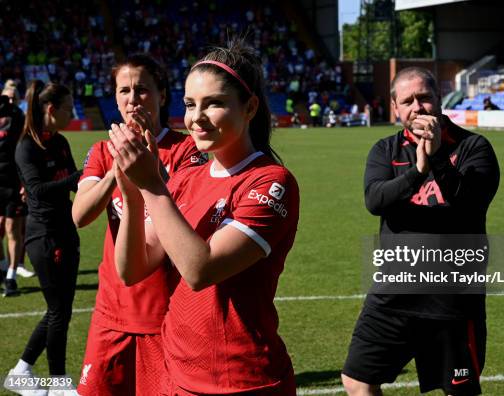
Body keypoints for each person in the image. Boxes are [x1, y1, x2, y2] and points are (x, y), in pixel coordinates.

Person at [107, 39, 299, 395]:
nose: (196, 118)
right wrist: (134, 197)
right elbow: (131, 269)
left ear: (251, 107)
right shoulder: (185, 179)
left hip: (241, 380)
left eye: (214, 104)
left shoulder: (271, 181)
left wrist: (152, 186)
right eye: (190, 104)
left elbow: (200, 270)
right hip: (177, 370)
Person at [342, 67, 500, 396]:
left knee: (460, 391)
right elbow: (374, 200)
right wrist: (417, 172)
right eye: (408, 100)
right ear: (396, 108)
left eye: (424, 97)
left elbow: (470, 204)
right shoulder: (385, 150)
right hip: (392, 294)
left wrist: (438, 155)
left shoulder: (474, 148)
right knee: (357, 379)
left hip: (452, 301)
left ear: (439, 101)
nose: (418, 106)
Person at [72, 53, 206, 395]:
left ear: (162, 95)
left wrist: (147, 172)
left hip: (164, 314)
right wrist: (116, 174)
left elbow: (183, 212)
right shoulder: (104, 150)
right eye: (124, 91)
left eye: (142, 90)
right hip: (111, 313)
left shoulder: (186, 150)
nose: (133, 100)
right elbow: (80, 215)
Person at [5, 80, 81, 394]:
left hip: (66, 230)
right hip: (45, 237)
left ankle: (21, 371)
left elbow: (78, 181)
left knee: (58, 310)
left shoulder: (61, 142)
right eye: (68, 107)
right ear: (51, 109)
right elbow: (36, 191)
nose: (72, 112)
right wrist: (82, 176)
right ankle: (58, 385)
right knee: (59, 312)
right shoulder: (26, 146)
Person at [0, 92, 30, 297]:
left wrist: (24, 182)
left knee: (12, 228)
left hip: (12, 182)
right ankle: (2, 268)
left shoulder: (17, 116)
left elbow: (24, 148)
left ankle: (11, 276)